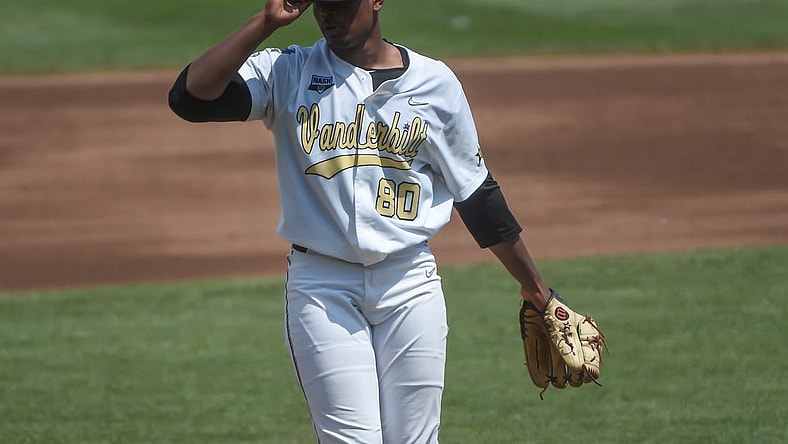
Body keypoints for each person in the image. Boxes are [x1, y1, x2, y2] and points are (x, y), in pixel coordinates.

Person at [168, 1, 556, 442]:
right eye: (323, 3)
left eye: (342, 3)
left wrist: (537, 290)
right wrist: (265, 23)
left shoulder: (435, 83)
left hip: (410, 282)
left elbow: (478, 197)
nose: (329, 13)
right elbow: (190, 99)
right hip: (322, 286)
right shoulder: (288, 71)